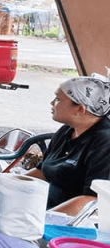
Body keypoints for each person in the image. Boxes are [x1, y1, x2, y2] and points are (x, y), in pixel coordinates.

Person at [24, 75, 110, 214]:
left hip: (74, 222)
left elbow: (93, 200)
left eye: (58, 99)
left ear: (80, 109)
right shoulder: (68, 130)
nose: (52, 103)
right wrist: (3, 185)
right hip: (44, 210)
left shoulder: (104, 142)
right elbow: (42, 172)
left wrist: (46, 218)